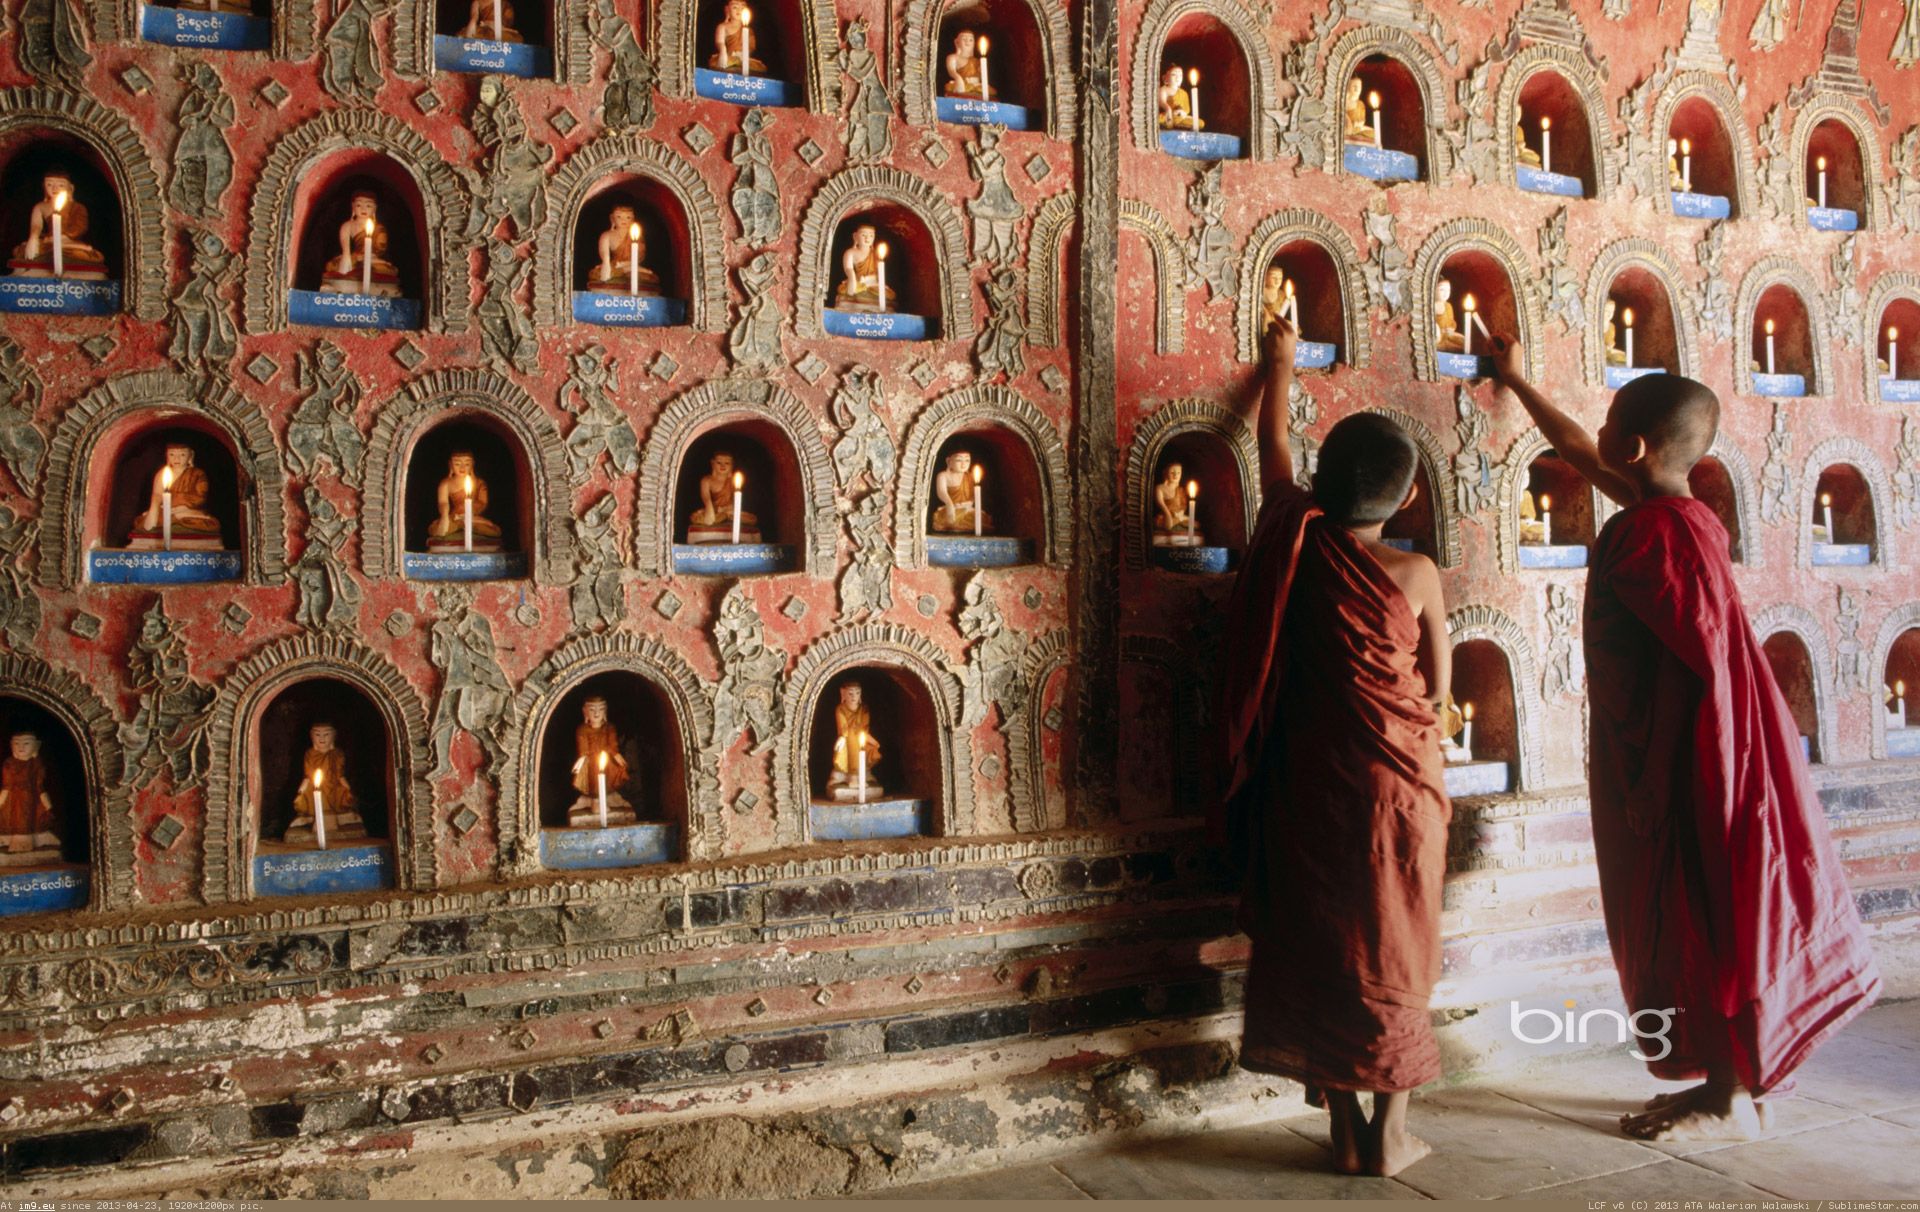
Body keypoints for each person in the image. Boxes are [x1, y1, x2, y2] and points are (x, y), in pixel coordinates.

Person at [1486, 336, 1880, 1141]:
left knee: (1708, 905)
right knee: (1712, 899)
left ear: (1630, 448)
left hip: (1696, 752)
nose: (1591, 440)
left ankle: (1730, 1096)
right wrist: (1517, 378)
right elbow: (1576, 449)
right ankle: (1724, 1082)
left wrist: (1651, 785)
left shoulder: (1648, 537)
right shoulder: (1676, 515)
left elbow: (1683, 674)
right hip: (1726, 739)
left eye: (1606, 429)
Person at [1210, 317, 1452, 1178]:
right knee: (1394, 942)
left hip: (1312, 779)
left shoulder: (1298, 537)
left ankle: (1347, 1129)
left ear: (1319, 487)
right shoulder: (1416, 573)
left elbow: (1272, 449)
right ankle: (1391, 1134)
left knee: (1324, 942)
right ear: (1408, 498)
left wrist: (1280, 364)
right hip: (1399, 785)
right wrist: (1438, 712)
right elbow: (1439, 676)